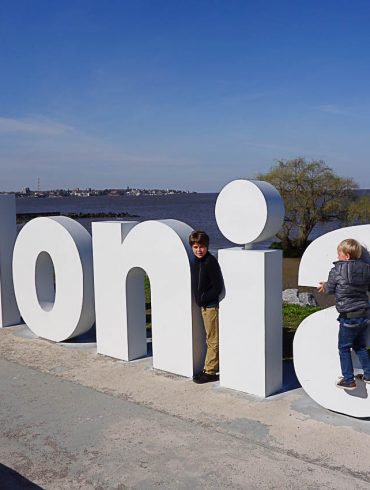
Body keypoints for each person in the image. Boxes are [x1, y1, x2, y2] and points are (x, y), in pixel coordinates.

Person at [318, 238, 370, 390]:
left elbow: (329, 290)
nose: (337, 256)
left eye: (338, 253)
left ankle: (349, 380)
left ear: (346, 256)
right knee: (360, 346)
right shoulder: (367, 269)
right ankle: (368, 375)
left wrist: (325, 285)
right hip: (365, 314)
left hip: (348, 316)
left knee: (344, 348)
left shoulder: (336, 270)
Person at [189, 230, 224, 384]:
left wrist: (203, 298)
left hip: (210, 307)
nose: (199, 250)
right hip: (203, 307)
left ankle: (210, 371)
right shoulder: (197, 261)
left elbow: (218, 287)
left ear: (207, 246)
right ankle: (207, 368)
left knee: (212, 339)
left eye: (202, 247)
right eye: (195, 247)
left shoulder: (210, 262)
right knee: (209, 338)